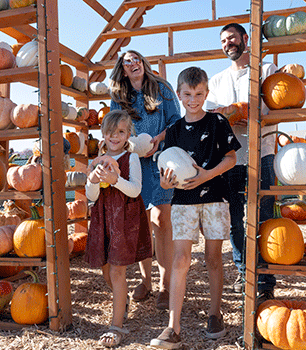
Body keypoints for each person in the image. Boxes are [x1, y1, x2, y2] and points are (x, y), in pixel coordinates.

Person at [150, 67, 239, 349]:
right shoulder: (173, 131)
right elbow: (167, 175)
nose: (193, 99)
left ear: (206, 94)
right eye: (187, 94)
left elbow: (231, 158)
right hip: (183, 202)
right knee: (180, 260)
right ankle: (172, 328)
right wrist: (166, 185)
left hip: (214, 197)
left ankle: (215, 314)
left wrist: (206, 175)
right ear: (179, 95)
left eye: (198, 94)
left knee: (213, 258)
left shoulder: (218, 122)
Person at [205, 23, 277, 299]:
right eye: (223, 40)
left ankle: (265, 279)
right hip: (232, 158)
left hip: (263, 153)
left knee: (264, 217)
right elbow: (211, 116)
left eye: (232, 38)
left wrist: (249, 112)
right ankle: (243, 271)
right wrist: (226, 115)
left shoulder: (267, 71)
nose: (228, 43)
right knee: (235, 219)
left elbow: (276, 104)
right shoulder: (217, 80)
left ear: (245, 39)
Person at [109, 50, 182, 310]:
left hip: (161, 161)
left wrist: (158, 140)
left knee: (161, 220)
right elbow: (113, 127)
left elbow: (176, 122)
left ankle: (165, 285)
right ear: (123, 68)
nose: (133, 63)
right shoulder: (119, 96)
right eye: (127, 61)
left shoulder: (162, 88)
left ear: (143, 62)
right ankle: (146, 281)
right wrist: (130, 145)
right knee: (141, 223)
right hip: (134, 165)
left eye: (136, 58)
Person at [84, 110, 152, 348]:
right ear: (103, 134)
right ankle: (121, 301)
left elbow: (135, 190)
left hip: (124, 219)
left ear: (128, 135)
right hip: (104, 218)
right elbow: (91, 196)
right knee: (105, 269)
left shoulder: (130, 158)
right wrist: (93, 181)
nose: (115, 137)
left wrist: (115, 180)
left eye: (121, 132)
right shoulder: (97, 160)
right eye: (111, 132)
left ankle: (116, 325)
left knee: (117, 272)